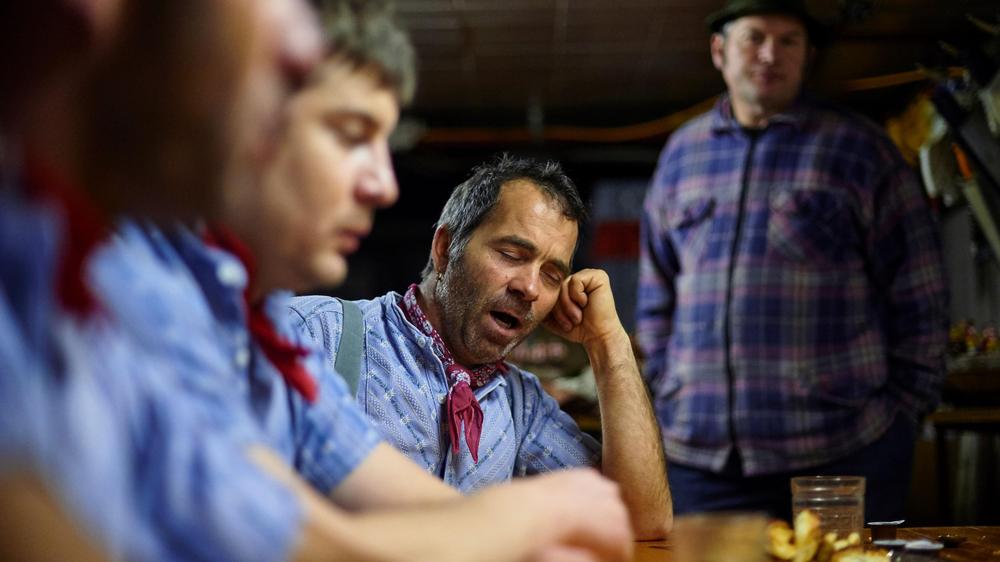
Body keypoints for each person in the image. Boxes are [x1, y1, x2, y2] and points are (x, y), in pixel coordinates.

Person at [89, 1, 637, 560]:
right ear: (243, 122)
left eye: (551, 273)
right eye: (351, 134)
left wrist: (608, 345)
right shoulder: (146, 297)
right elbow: (307, 542)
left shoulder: (258, 328)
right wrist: (534, 517)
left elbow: (427, 520)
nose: (383, 184)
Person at [636, 0, 949, 521]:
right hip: (700, 459)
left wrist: (903, 412)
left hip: (841, 454)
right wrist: (670, 388)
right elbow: (656, 295)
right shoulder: (681, 155)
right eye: (754, 37)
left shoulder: (859, 150)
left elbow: (920, 290)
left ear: (806, 56)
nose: (770, 54)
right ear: (720, 50)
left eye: (789, 41)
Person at [290, 153, 673, 539]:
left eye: (552, 274)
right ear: (445, 248)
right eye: (511, 255)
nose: (530, 287)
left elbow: (641, 520)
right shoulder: (317, 334)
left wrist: (609, 344)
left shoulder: (520, 405)